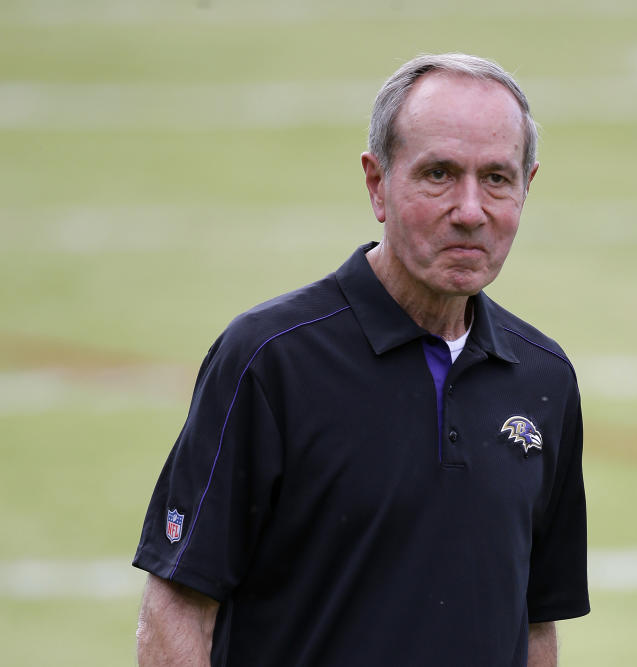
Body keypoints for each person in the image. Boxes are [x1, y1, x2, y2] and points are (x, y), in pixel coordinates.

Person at [133, 53, 589, 666]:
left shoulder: (544, 379)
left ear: (528, 187)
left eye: (498, 179)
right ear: (377, 183)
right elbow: (178, 610)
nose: (472, 210)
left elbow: (536, 625)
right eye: (439, 175)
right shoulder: (270, 361)